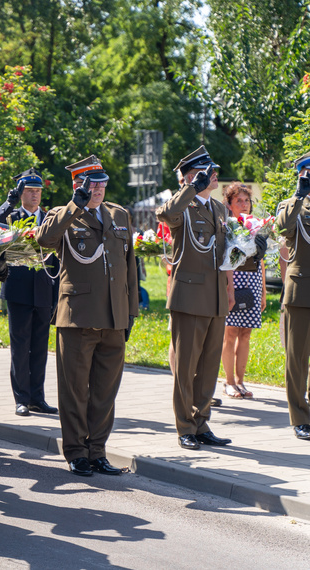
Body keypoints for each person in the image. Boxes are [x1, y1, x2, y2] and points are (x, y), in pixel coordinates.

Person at [35, 155, 137, 477]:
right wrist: (73, 207)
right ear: (78, 184)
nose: (99, 190)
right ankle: (77, 452)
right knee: (75, 391)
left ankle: (98, 451)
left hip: (113, 317)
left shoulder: (119, 214)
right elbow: (44, 239)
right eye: (93, 184)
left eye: (103, 184)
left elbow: (129, 268)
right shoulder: (62, 215)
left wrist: (130, 312)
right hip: (78, 317)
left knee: (105, 391)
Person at [155, 146, 237, 450]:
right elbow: (166, 214)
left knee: (208, 366)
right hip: (189, 297)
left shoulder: (219, 209)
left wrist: (229, 289)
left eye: (211, 171)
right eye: (205, 172)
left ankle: (202, 423)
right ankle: (184, 426)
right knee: (186, 366)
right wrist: (190, 189)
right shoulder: (182, 207)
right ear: (191, 177)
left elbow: (227, 253)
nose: (213, 175)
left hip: (215, 297)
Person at [0, 168, 59, 417]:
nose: (34, 195)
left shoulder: (50, 217)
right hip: (17, 288)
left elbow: (58, 258)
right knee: (20, 346)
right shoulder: (11, 216)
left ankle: (37, 398)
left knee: (40, 346)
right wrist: (7, 204)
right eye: (29, 191)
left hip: (43, 287)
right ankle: (21, 398)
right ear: (20, 194)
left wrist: (57, 291)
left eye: (38, 191)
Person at [276, 151, 310, 441]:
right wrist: (300, 195)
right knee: (297, 358)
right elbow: (283, 228)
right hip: (301, 291)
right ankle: (299, 416)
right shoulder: (291, 205)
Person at [221, 183, 265, 399]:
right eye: (239, 200)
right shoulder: (226, 225)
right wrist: (229, 286)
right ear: (229, 204)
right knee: (230, 333)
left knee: (245, 333)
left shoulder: (257, 226)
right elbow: (226, 259)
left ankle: (241, 381)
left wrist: (264, 290)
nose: (244, 204)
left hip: (254, 280)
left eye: (247, 200)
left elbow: (261, 260)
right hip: (233, 279)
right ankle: (228, 382)